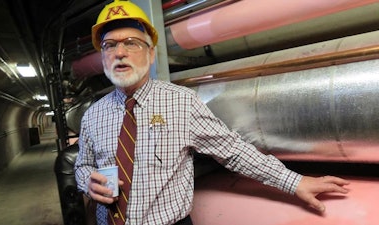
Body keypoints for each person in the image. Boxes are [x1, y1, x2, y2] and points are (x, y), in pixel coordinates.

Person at [74, 1, 350, 225]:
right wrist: (87, 180)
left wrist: (295, 182)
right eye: (110, 45)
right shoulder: (93, 115)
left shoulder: (182, 102)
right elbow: (82, 165)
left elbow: (233, 150)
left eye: (132, 43)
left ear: (151, 54)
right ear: (102, 57)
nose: (120, 52)